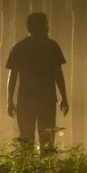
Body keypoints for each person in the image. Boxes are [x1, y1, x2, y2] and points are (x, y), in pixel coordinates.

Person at [6, 12, 69, 154]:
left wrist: (10, 100)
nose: (47, 27)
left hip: (27, 100)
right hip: (45, 100)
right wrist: (64, 98)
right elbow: (58, 75)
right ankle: (42, 170)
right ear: (37, 26)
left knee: (27, 139)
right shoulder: (52, 46)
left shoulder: (19, 47)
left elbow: (12, 77)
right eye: (45, 24)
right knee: (46, 139)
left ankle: (30, 170)